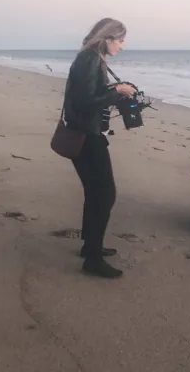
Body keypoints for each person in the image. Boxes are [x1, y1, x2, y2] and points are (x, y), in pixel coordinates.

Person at [61, 18, 137, 278]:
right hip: (87, 134)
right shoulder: (90, 59)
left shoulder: (90, 57)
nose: (122, 46)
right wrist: (118, 91)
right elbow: (86, 101)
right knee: (105, 194)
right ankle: (93, 259)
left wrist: (114, 89)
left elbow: (88, 93)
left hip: (87, 132)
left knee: (96, 192)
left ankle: (90, 247)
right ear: (107, 38)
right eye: (120, 40)